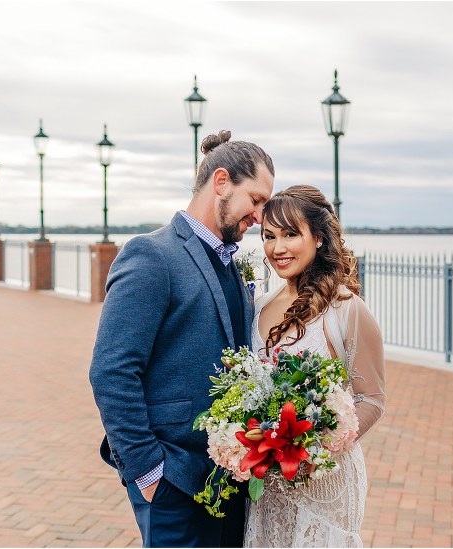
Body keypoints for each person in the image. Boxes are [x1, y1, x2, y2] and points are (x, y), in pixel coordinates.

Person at [89, 130, 275, 547]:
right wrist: (149, 473)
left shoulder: (230, 263)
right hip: (172, 481)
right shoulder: (151, 255)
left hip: (228, 482)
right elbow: (112, 371)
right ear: (222, 182)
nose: (260, 217)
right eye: (257, 200)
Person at [244, 185, 386, 548]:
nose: (278, 248)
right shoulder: (258, 307)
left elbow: (372, 399)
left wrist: (315, 450)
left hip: (327, 482)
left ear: (319, 238)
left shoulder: (346, 309)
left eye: (291, 234)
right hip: (269, 487)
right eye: (269, 236)